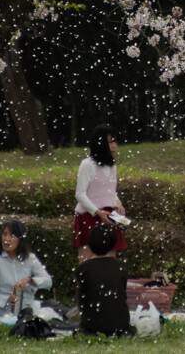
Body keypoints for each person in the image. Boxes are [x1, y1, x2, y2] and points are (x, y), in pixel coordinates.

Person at [73, 125, 127, 263]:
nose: (114, 146)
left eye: (115, 141)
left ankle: (109, 284)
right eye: (110, 142)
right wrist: (97, 212)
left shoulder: (112, 166)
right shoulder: (87, 165)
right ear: (100, 143)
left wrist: (117, 202)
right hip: (89, 216)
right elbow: (80, 194)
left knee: (110, 259)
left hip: (110, 216)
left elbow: (110, 191)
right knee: (87, 260)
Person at [73, 224, 134, 337]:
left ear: (90, 243)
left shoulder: (83, 268)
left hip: (93, 324)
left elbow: (82, 299)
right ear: (112, 244)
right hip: (121, 323)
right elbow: (121, 293)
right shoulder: (120, 266)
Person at [0, 219, 54, 319]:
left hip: (30, 306)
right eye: (4, 234)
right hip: (7, 312)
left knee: (52, 306)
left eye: (12, 235)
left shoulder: (30, 258)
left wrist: (30, 280)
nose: (7, 239)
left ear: (20, 239)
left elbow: (48, 281)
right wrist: (7, 299)